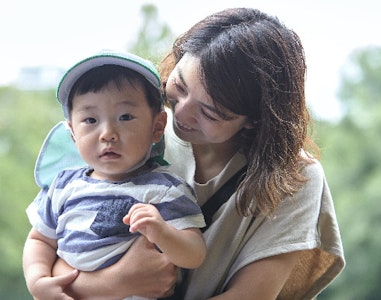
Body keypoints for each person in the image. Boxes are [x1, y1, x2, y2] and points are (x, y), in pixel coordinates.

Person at [49, 7, 345, 300]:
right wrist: (115, 283)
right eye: (179, 86)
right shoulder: (133, 130)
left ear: (255, 119)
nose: (181, 113)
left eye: (210, 113)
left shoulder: (294, 177)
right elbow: (55, 250)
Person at [22, 50, 206, 300]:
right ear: (73, 133)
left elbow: (195, 254)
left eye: (125, 117)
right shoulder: (63, 186)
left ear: (157, 127)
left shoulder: (166, 189)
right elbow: (40, 241)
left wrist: (162, 232)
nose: (107, 133)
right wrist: (38, 280)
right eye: (90, 119)